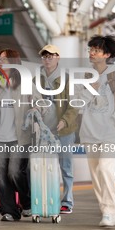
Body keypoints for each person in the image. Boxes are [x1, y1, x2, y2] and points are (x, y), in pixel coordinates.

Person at [0, 49, 41, 222]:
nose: (0, 62)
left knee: (14, 173)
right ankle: (10, 211)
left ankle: (26, 202)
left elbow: (40, 101)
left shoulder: (26, 83)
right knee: (1, 177)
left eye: (4, 59)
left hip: (19, 138)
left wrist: (37, 108)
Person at [79, 35, 115, 227]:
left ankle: (110, 211)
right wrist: (89, 90)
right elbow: (77, 104)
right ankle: (104, 208)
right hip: (89, 132)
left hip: (109, 133)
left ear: (107, 54)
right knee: (96, 174)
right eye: (91, 49)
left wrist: (113, 123)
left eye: (96, 50)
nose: (92, 53)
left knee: (106, 170)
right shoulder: (85, 75)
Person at [37, 44, 78, 214]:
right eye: (45, 56)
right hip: (43, 131)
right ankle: (46, 198)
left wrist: (64, 121)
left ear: (58, 58)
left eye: (51, 56)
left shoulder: (67, 79)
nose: (47, 59)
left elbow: (74, 105)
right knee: (43, 166)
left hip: (64, 131)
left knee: (65, 167)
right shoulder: (36, 79)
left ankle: (67, 202)